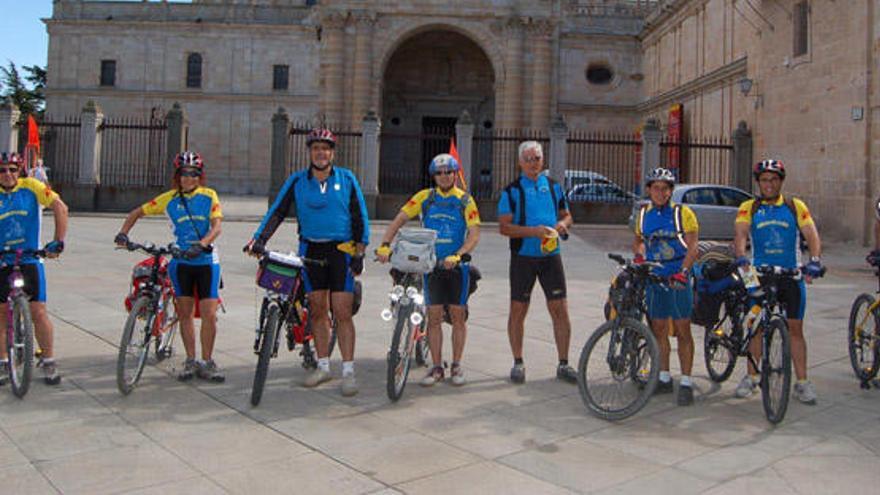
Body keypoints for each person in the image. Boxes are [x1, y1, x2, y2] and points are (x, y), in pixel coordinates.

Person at [247, 128, 369, 397]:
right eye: (316, 148)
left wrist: (359, 252)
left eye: (325, 148)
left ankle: (348, 371)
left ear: (332, 153)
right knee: (316, 311)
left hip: (341, 251)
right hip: (310, 249)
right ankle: (323, 366)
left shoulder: (346, 179)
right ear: (310, 153)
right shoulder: (297, 181)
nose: (321, 153)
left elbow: (360, 215)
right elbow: (277, 210)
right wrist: (259, 239)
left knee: (342, 312)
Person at [114, 152, 225, 383]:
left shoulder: (209, 195)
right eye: (184, 173)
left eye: (194, 173)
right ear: (178, 176)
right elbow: (137, 212)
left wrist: (202, 244)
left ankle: (207, 361)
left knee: (209, 315)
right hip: (180, 262)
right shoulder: (169, 199)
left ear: (199, 176)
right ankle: (191, 359)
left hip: (205, 261)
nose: (189, 178)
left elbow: (216, 227)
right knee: (184, 313)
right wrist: (123, 233)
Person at [376, 153, 480, 386]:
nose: (444, 176)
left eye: (448, 172)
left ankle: (456, 365)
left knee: (457, 315)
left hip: (456, 266)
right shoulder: (425, 197)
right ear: (433, 176)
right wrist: (384, 245)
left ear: (455, 174)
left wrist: (459, 254)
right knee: (433, 316)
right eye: (439, 173)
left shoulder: (465, 200)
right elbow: (399, 220)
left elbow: (474, 233)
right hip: (430, 265)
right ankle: (436, 367)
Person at [734, 159, 824, 404]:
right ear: (758, 183)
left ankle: (803, 383)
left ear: (781, 181)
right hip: (759, 273)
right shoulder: (748, 207)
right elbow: (741, 234)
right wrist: (741, 257)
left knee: (795, 329)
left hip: (790, 274)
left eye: (774, 179)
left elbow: (811, 234)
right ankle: (751, 377)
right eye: (764, 180)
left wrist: (814, 259)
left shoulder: (795, 206)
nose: (769, 184)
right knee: (754, 325)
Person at [497, 141, 577, 384]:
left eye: (537, 158)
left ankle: (563, 363)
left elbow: (567, 215)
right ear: (520, 162)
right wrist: (533, 232)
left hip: (551, 258)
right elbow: (504, 227)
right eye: (529, 159)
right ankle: (518, 361)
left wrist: (562, 225)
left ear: (543, 160)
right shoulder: (511, 191)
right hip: (523, 258)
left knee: (560, 309)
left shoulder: (554, 187)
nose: (534, 163)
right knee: (518, 310)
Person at [0, 151, 68, 386]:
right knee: (1, 314)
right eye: (2, 170)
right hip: (3, 260)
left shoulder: (32, 186)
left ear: (20, 171)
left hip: (30, 258)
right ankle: (3, 362)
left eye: (12, 169)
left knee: (38, 311)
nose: (7, 174)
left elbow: (60, 207)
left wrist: (57, 241)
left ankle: (48, 359)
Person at [633, 167, 699, 406]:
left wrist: (683, 272)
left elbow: (693, 247)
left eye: (665, 189)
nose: (660, 193)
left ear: (671, 191)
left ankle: (687, 381)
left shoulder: (684, 214)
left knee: (683, 330)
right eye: (656, 188)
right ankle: (663, 376)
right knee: (658, 328)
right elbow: (640, 241)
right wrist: (640, 257)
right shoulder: (643, 215)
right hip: (655, 275)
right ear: (649, 189)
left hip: (677, 275)